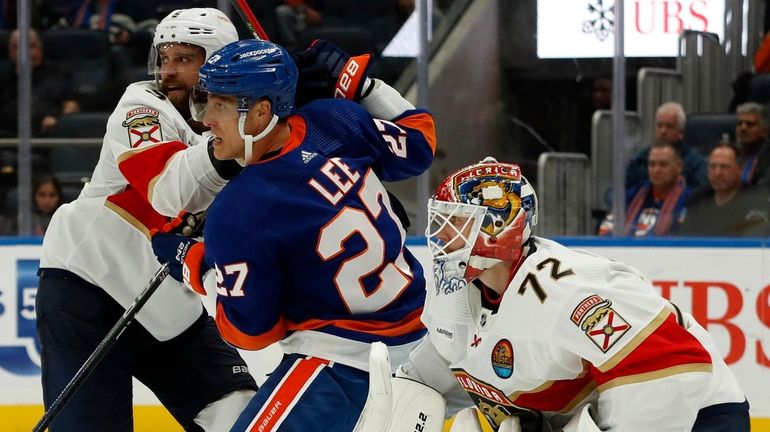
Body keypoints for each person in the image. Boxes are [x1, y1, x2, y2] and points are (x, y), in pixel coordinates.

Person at [151, 38, 434, 431]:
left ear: (262, 111)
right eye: (207, 102)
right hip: (425, 348)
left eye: (221, 105)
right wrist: (361, 86)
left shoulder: (241, 210)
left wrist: (195, 265)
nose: (206, 119)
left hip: (343, 368)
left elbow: (251, 333)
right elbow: (419, 143)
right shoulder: (338, 120)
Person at [397, 156, 749, 431]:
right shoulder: (457, 293)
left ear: (498, 225)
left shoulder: (565, 291)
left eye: (455, 222)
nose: (442, 238)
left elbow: (673, 362)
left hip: (702, 416)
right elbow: (430, 376)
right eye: (441, 221)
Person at [35, 8, 258, 431]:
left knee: (241, 415)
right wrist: (243, 144)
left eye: (184, 60)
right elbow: (169, 189)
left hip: (167, 304)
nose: (168, 71)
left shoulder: (242, 125)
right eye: (164, 58)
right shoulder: (141, 108)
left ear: (218, 63)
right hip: (85, 288)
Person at [599, 140, 691, 236]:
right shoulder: (633, 195)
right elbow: (604, 231)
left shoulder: (690, 200)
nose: (656, 170)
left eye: (663, 165)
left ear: (679, 166)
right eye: (652, 164)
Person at [0, 28, 80, 137]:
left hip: (45, 137)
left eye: (31, 46)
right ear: (10, 52)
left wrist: (59, 120)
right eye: (17, 47)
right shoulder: (3, 74)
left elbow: (72, 106)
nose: (25, 52)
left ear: (40, 49)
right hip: (7, 137)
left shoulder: (59, 73)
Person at [680, 142, 770, 236]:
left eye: (725, 167)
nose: (718, 173)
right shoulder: (697, 200)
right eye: (713, 166)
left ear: (740, 170)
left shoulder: (756, 200)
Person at [624, 101, 707, 191]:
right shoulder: (641, 159)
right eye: (659, 126)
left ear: (681, 133)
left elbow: (702, 195)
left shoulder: (696, 163)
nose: (663, 131)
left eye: (669, 126)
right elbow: (614, 190)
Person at [734, 102, 770, 186]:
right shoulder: (729, 153)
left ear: (765, 131)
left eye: (750, 124)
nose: (743, 128)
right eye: (740, 123)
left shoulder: (767, 156)